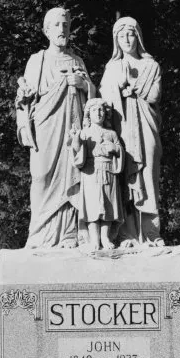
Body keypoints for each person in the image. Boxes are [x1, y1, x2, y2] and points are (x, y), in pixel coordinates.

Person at [15, 7, 96, 248]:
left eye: (66, 25)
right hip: (46, 126)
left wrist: (83, 85)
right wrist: (23, 95)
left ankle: (70, 233)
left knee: (74, 176)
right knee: (40, 176)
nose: (62, 30)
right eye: (57, 25)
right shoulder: (37, 60)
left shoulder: (77, 60)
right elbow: (25, 98)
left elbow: (94, 100)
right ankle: (39, 234)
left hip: (72, 128)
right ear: (46, 30)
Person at [99, 16, 163, 246]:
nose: (127, 39)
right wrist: (119, 86)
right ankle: (128, 234)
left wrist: (133, 88)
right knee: (124, 181)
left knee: (149, 180)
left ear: (138, 36)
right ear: (116, 40)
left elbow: (155, 95)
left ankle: (151, 234)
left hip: (147, 130)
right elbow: (104, 100)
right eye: (122, 35)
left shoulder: (151, 66)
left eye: (131, 34)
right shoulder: (113, 67)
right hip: (122, 129)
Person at [69, 98, 124, 251]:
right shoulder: (85, 133)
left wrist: (115, 148)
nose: (98, 113)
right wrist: (75, 139)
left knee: (108, 205)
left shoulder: (111, 133)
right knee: (93, 207)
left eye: (101, 110)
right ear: (88, 114)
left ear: (105, 114)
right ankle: (94, 239)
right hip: (90, 172)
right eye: (94, 110)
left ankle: (105, 238)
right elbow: (77, 153)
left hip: (109, 171)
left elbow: (120, 151)